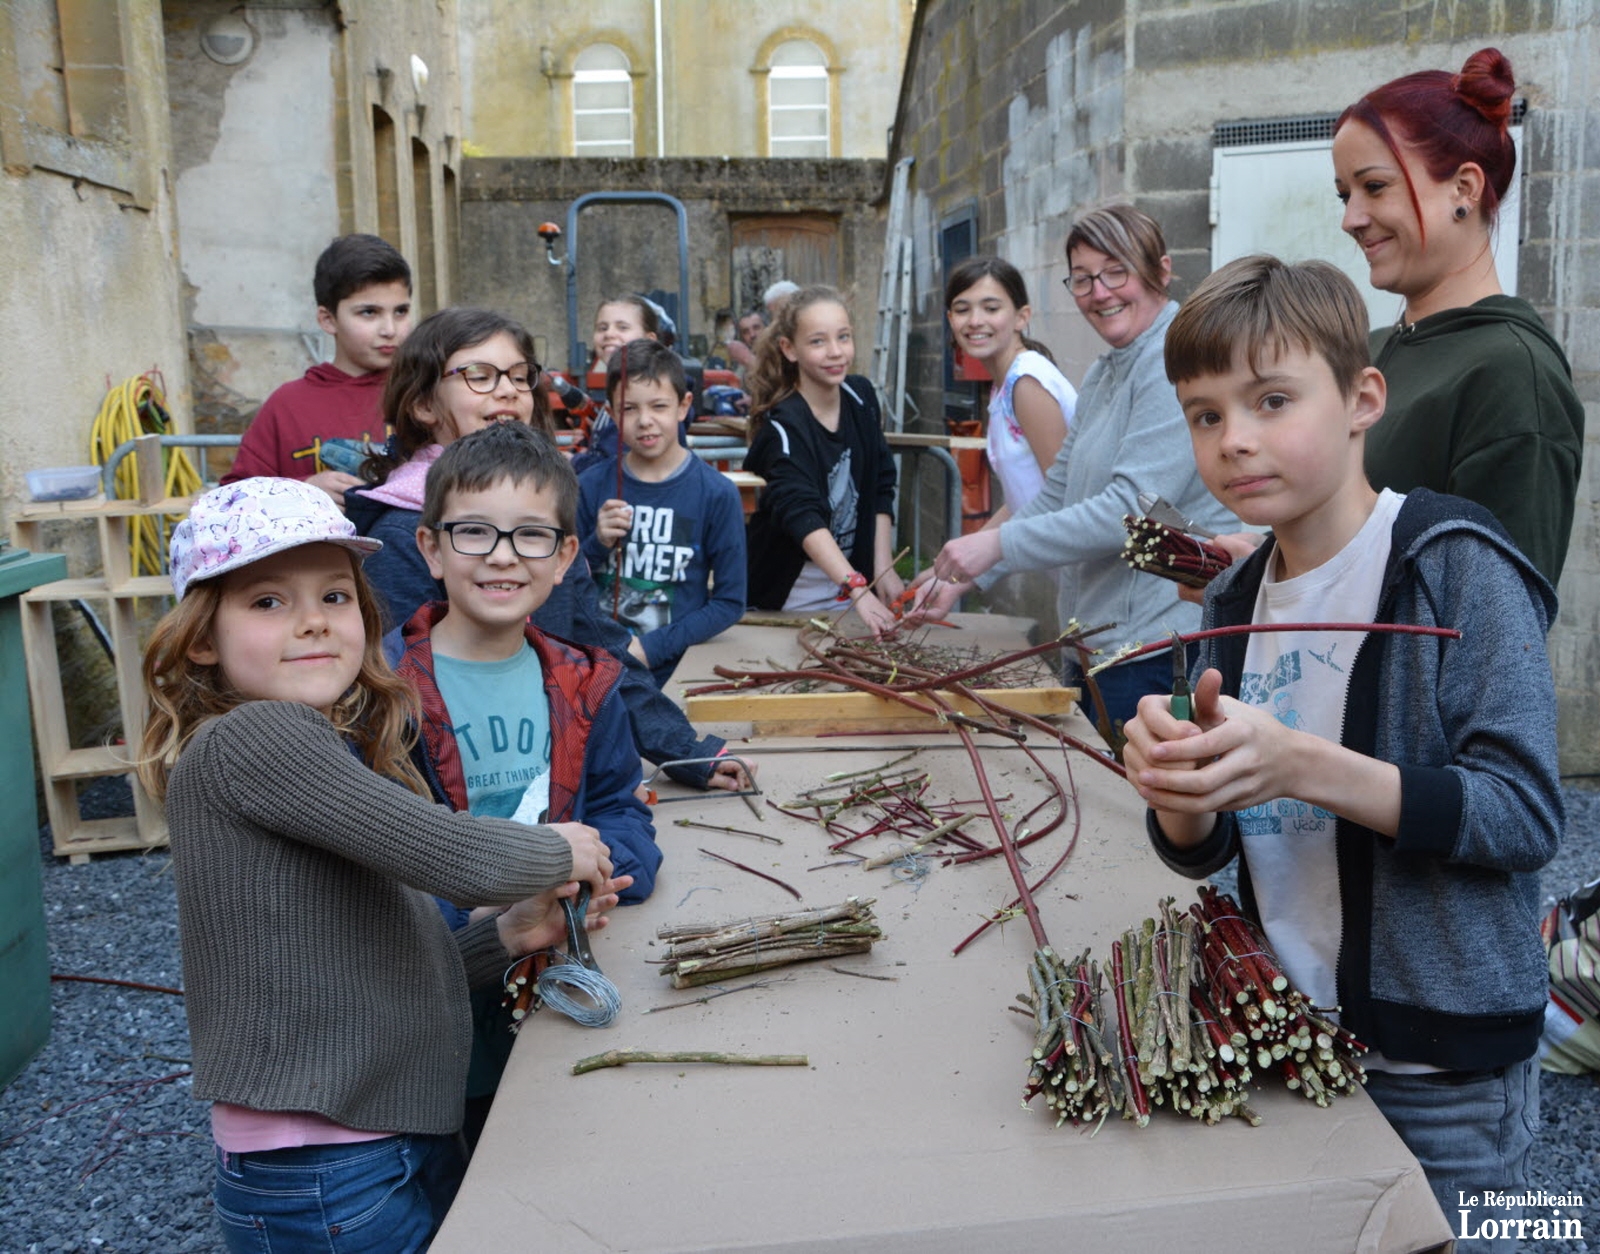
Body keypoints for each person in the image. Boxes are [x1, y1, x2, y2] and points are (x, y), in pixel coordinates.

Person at [1125, 255, 1560, 1251]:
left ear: (1364, 397)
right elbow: (1214, 850)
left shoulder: (1452, 563)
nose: (1234, 438)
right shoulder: (1229, 607)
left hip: (1449, 1071)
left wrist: (1301, 764)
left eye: (1271, 399)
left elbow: (1525, 815)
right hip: (1302, 1041)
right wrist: (1176, 795)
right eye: (1203, 414)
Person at [137, 476, 629, 1251]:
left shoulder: (308, 750)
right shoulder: (259, 738)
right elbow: (456, 859)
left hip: (367, 1144)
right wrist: (559, 846)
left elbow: (370, 966)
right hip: (328, 1168)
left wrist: (505, 936)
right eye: (268, 602)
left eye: (334, 597)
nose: (312, 624)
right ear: (202, 637)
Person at [344, 306, 746, 792]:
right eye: (479, 375)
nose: (509, 388)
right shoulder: (406, 532)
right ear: (424, 404)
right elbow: (398, 704)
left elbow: (599, 646)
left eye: (519, 375)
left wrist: (686, 752)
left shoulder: (540, 521)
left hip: (547, 782)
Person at [392, 421, 658, 1139]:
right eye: (474, 532)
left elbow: (620, 811)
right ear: (431, 548)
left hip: (553, 967)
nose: (503, 557)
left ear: (567, 554)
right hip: (432, 981)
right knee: (442, 1147)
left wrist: (589, 873)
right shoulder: (383, 695)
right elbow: (369, 855)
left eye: (531, 536)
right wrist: (478, 917)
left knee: (545, 1135)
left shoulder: (585, 684)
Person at [908, 205, 1234, 733]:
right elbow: (1057, 489)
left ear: (1162, 270)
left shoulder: (1175, 360)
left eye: (1116, 272)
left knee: (1141, 808)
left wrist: (995, 545)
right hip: (1097, 639)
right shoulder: (1108, 370)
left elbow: (1132, 513)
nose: (1099, 292)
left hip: (1152, 647)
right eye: (1082, 279)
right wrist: (968, 573)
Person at [1332, 47, 1583, 586]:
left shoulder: (1512, 375)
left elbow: (1499, 631)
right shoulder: (1371, 350)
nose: (1351, 218)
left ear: (1464, 189)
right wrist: (1260, 566)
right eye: (1345, 194)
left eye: (1374, 186)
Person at [578, 339, 746, 687]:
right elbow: (560, 582)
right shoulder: (590, 486)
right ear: (610, 412)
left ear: (684, 406)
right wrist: (596, 543)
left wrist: (653, 648)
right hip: (596, 674)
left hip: (678, 675)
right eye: (629, 409)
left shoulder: (717, 494)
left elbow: (730, 602)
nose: (645, 421)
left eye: (658, 406)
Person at [743, 284, 902, 636]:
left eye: (843, 337)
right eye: (817, 342)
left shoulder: (861, 397)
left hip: (851, 591)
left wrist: (883, 568)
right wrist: (858, 587)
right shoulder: (782, 428)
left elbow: (880, 484)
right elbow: (801, 514)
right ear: (789, 349)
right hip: (786, 604)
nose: (835, 352)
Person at [224, 234, 413, 504]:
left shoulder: (424, 393)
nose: (390, 330)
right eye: (369, 313)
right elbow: (231, 497)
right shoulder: (287, 405)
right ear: (328, 319)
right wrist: (303, 491)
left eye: (401, 311)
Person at [945, 255, 1076, 516]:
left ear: (1021, 317)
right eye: (962, 310)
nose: (974, 321)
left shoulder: (1027, 382)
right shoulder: (1005, 383)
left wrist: (992, 544)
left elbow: (1063, 494)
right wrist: (972, 546)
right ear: (950, 319)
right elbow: (1027, 496)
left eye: (991, 308)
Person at [575, 294, 664, 471]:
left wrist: (575, 461)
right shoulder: (617, 388)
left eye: (622, 327)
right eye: (602, 328)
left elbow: (617, 462)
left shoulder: (644, 391)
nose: (609, 334)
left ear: (649, 339)